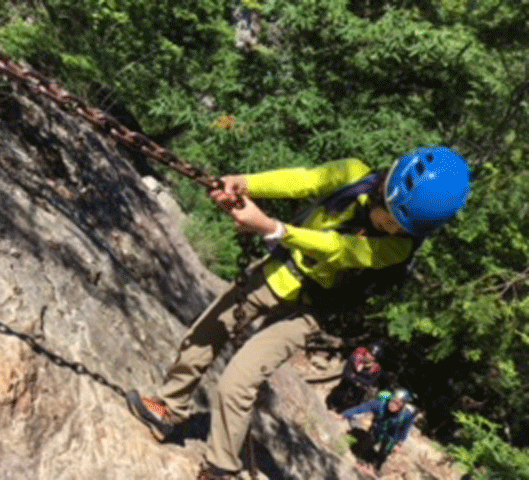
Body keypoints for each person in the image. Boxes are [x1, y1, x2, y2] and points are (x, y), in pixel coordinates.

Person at [126, 147, 471, 480]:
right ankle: (168, 408)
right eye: (394, 220)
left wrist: (273, 229)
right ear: (387, 188)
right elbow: (301, 180)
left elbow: (340, 250)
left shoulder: (397, 247)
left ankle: (220, 469)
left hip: (311, 310)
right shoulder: (352, 174)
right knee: (205, 333)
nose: (395, 230)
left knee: (236, 382)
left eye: (404, 228)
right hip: (277, 272)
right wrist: (245, 183)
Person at [341, 388, 417, 475]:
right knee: (371, 440)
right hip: (378, 427)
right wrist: (345, 414)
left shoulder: (407, 415)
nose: (393, 405)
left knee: (387, 447)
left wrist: (400, 444)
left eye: (397, 403)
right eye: (392, 401)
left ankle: (375, 466)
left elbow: (404, 430)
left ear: (402, 405)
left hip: (391, 434)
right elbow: (362, 408)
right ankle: (362, 461)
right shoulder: (382, 404)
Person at [327, 342, 384, 412]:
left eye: (373, 356)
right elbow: (346, 373)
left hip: (357, 391)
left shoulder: (376, 369)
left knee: (360, 393)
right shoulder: (355, 357)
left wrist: (356, 378)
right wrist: (358, 381)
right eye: (369, 353)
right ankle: (334, 403)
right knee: (345, 386)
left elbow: (369, 382)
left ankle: (346, 409)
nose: (370, 357)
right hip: (346, 384)